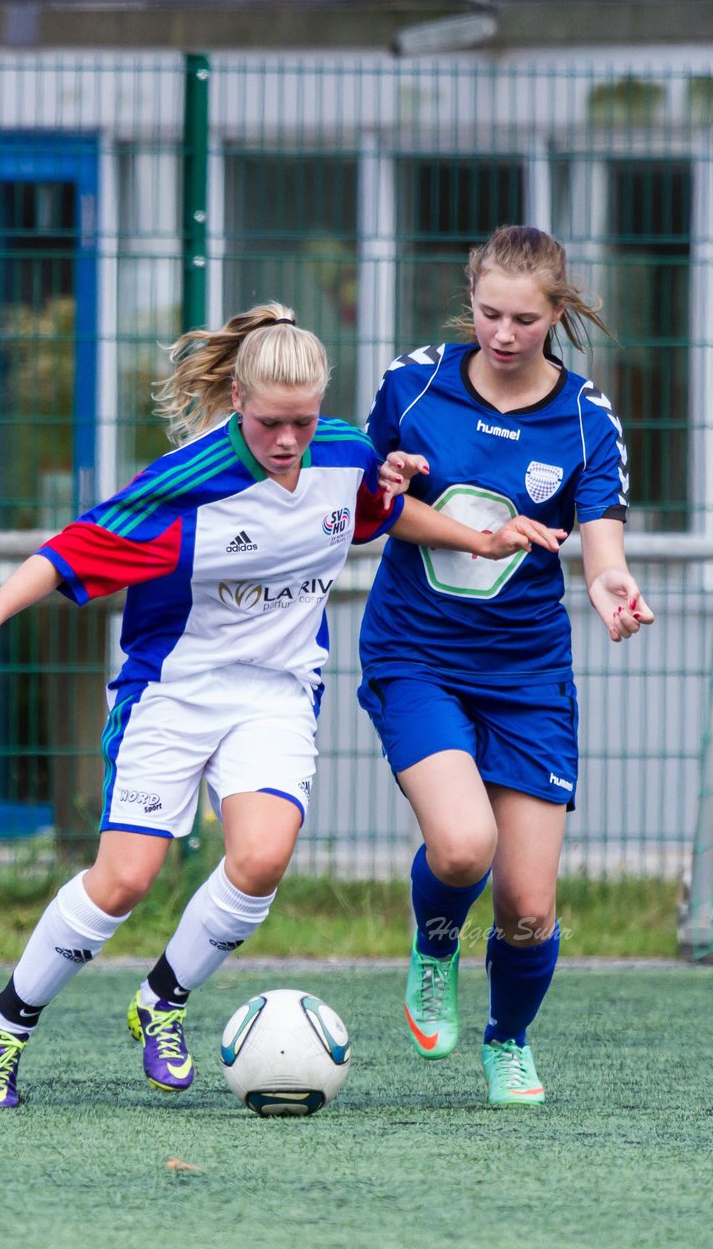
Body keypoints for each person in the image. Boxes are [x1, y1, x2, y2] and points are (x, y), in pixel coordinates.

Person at [0, 301, 563, 1110]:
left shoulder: (344, 453)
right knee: (125, 881)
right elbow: (71, 549)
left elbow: (377, 512)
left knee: (263, 856)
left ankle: (162, 1001)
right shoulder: (188, 484)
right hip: (173, 692)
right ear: (237, 400)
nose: (287, 442)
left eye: (303, 423)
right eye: (271, 423)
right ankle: (7, 1026)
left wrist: (474, 537)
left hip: (274, 693)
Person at [357, 226, 655, 1108]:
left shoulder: (585, 420)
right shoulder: (413, 386)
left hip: (527, 675)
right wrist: (389, 483)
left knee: (528, 907)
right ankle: (436, 944)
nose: (503, 333)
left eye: (525, 319)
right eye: (489, 313)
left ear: (557, 314)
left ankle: (508, 1040)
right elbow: (379, 508)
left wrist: (610, 588)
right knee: (461, 846)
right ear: (470, 298)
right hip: (417, 653)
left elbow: (603, 541)